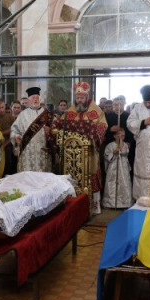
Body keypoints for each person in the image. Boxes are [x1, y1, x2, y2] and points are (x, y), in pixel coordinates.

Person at [48, 82, 107, 213]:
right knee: (72, 175)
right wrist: (55, 130)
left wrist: (93, 135)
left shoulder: (96, 111)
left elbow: (102, 126)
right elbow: (58, 126)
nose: (80, 100)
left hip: (90, 152)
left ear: (87, 97)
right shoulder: (70, 111)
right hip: (71, 154)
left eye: (82, 97)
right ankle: (72, 205)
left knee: (91, 174)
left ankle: (94, 206)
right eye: (78, 97)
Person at [10, 87, 49, 173]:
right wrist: (16, 136)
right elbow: (14, 130)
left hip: (42, 151)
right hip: (27, 151)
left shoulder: (46, 114)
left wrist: (49, 132)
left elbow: (53, 131)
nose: (35, 99)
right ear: (28, 100)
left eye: (37, 97)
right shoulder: (23, 115)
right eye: (33, 97)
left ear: (40, 99)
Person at [102, 130, 132, 209]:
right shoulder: (110, 145)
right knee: (112, 183)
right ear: (114, 136)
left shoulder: (125, 145)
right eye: (119, 135)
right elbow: (106, 155)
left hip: (123, 167)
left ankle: (124, 203)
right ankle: (110, 203)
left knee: (124, 183)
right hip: (113, 167)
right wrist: (113, 153)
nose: (121, 137)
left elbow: (123, 151)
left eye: (123, 136)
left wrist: (121, 141)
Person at [0, 99, 17, 177]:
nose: (1, 110)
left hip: (9, 144)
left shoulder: (11, 118)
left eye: (2, 107)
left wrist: (1, 133)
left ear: (5, 107)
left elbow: (14, 130)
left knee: (8, 164)